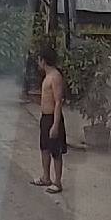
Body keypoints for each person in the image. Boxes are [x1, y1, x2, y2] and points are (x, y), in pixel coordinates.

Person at [30, 47, 66, 195]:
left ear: (43, 60)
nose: (38, 63)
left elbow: (58, 102)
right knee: (44, 147)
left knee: (55, 151)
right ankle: (46, 177)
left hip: (53, 117)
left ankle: (57, 182)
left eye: (39, 60)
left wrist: (55, 125)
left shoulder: (55, 77)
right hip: (45, 117)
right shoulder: (47, 76)